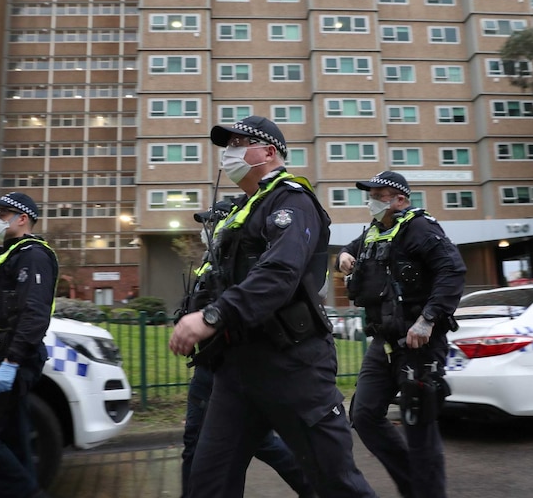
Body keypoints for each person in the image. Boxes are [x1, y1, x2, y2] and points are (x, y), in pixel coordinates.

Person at [169, 116, 375, 498]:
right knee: (207, 483)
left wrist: (213, 316)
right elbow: (217, 277)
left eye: (237, 143)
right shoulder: (241, 211)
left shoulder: (291, 201)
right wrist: (191, 311)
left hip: (292, 367)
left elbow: (279, 273)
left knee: (337, 483)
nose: (228, 153)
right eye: (227, 145)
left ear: (268, 151)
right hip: (235, 372)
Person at [337, 171, 466, 498]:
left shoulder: (420, 229)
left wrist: (427, 319)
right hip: (383, 344)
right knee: (364, 415)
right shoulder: (373, 233)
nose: (372, 201)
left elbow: (452, 271)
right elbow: (350, 249)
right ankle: (414, 484)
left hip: (419, 343)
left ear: (401, 200)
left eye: (379, 195)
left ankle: (427, 491)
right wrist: (342, 256)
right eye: (371, 195)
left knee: (419, 427)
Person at [180, 202, 315, 498]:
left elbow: (248, 300)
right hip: (208, 362)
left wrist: (212, 317)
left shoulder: (240, 256)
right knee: (196, 440)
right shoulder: (209, 259)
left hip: (232, 362)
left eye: (213, 221)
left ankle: (311, 486)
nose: (208, 229)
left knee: (250, 445)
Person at [0, 192, 59, 498]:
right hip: (0, 358)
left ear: (22, 219)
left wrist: (11, 363)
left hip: (14, 360)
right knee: (15, 441)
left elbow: (34, 314)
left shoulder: (33, 256)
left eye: (2, 213)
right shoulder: (11, 254)